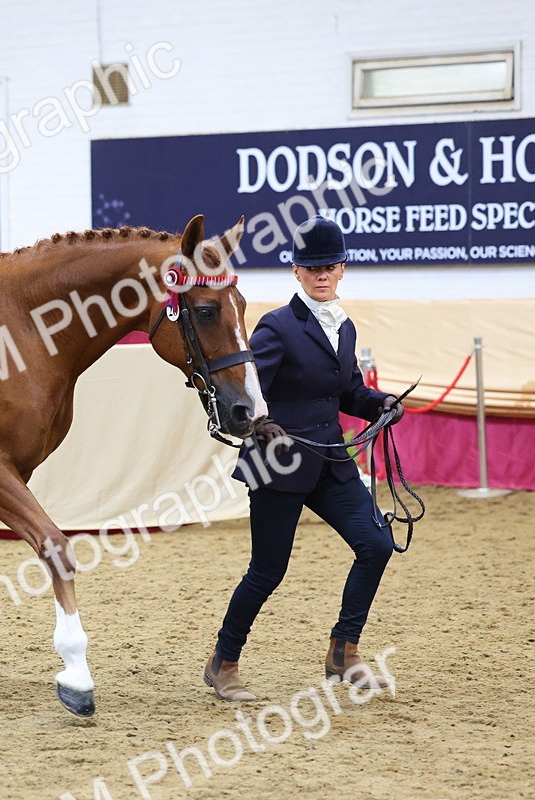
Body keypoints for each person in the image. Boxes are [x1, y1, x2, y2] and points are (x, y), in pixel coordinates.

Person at [203, 215, 404, 702]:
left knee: (376, 545)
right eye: (311, 268)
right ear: (296, 272)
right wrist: (258, 422)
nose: (320, 275)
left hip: (331, 460)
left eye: (329, 267)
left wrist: (380, 403)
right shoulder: (276, 327)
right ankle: (224, 661)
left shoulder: (346, 327)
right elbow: (244, 392)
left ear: (341, 270)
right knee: (268, 570)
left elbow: (347, 391)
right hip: (280, 461)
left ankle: (344, 653)